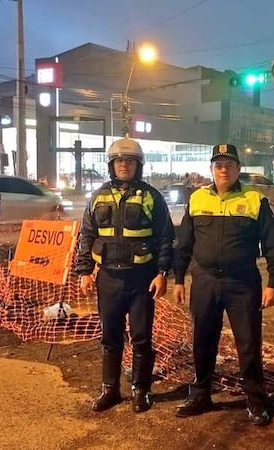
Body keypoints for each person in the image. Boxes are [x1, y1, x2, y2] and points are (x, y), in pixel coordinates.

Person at [172, 143, 274, 426]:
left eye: (229, 165)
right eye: (218, 165)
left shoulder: (255, 200)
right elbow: (184, 243)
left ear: (238, 169)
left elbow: (272, 244)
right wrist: (178, 279)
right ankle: (200, 395)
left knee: (248, 344)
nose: (223, 170)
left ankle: (256, 401)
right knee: (202, 341)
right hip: (205, 281)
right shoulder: (197, 199)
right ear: (212, 168)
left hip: (242, 283)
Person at [75, 137, 175, 413]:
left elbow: (166, 237)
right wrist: (84, 271)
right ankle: (110, 390)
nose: (124, 165)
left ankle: (141, 390)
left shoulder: (151, 196)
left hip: (141, 278)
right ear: (111, 165)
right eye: (119, 161)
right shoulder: (98, 196)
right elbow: (87, 235)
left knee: (141, 337)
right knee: (110, 336)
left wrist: (162, 272)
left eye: (130, 161)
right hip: (107, 278)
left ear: (138, 166)